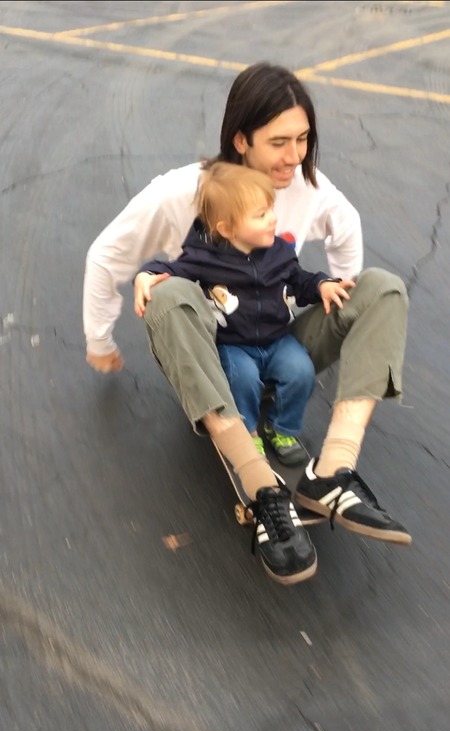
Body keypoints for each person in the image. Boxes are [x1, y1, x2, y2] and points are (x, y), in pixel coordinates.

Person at [83, 62, 412, 585]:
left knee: (384, 289)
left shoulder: (310, 186)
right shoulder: (185, 192)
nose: (296, 156)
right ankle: (262, 487)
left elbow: (345, 231)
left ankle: (330, 472)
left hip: (279, 340)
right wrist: (103, 334)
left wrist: (338, 290)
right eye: (280, 142)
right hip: (214, 358)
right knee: (169, 297)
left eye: (304, 139)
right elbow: (106, 256)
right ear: (241, 139)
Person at [137, 161, 355, 470]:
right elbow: (173, 270)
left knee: (301, 371)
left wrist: (321, 284)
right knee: (243, 380)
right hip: (234, 344)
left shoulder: (279, 251)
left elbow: (298, 278)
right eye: (261, 215)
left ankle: (281, 429)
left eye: (270, 210)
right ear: (226, 228)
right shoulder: (206, 258)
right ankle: (247, 430)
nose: (273, 220)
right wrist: (146, 275)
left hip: (278, 340)